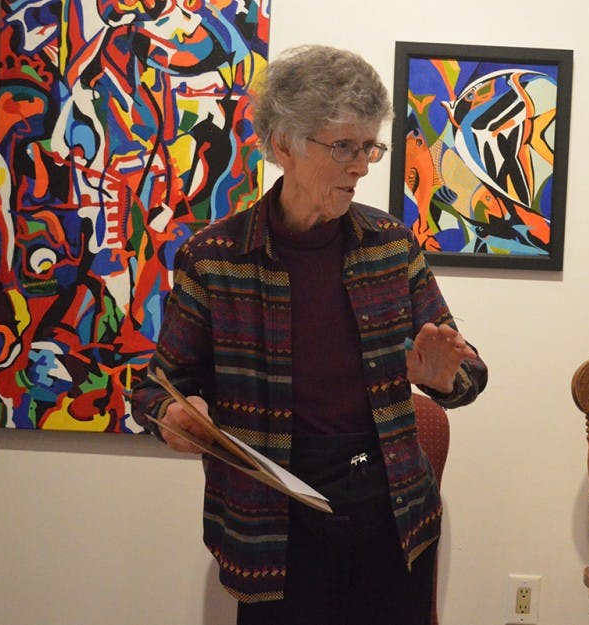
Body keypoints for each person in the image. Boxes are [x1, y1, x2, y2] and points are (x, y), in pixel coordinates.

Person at [132, 44, 488, 625]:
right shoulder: (215, 259)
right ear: (282, 147)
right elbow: (154, 389)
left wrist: (448, 381)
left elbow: (468, 371)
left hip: (392, 516)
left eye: (369, 145)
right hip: (271, 524)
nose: (363, 165)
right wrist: (172, 417)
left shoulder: (391, 246)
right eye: (344, 146)